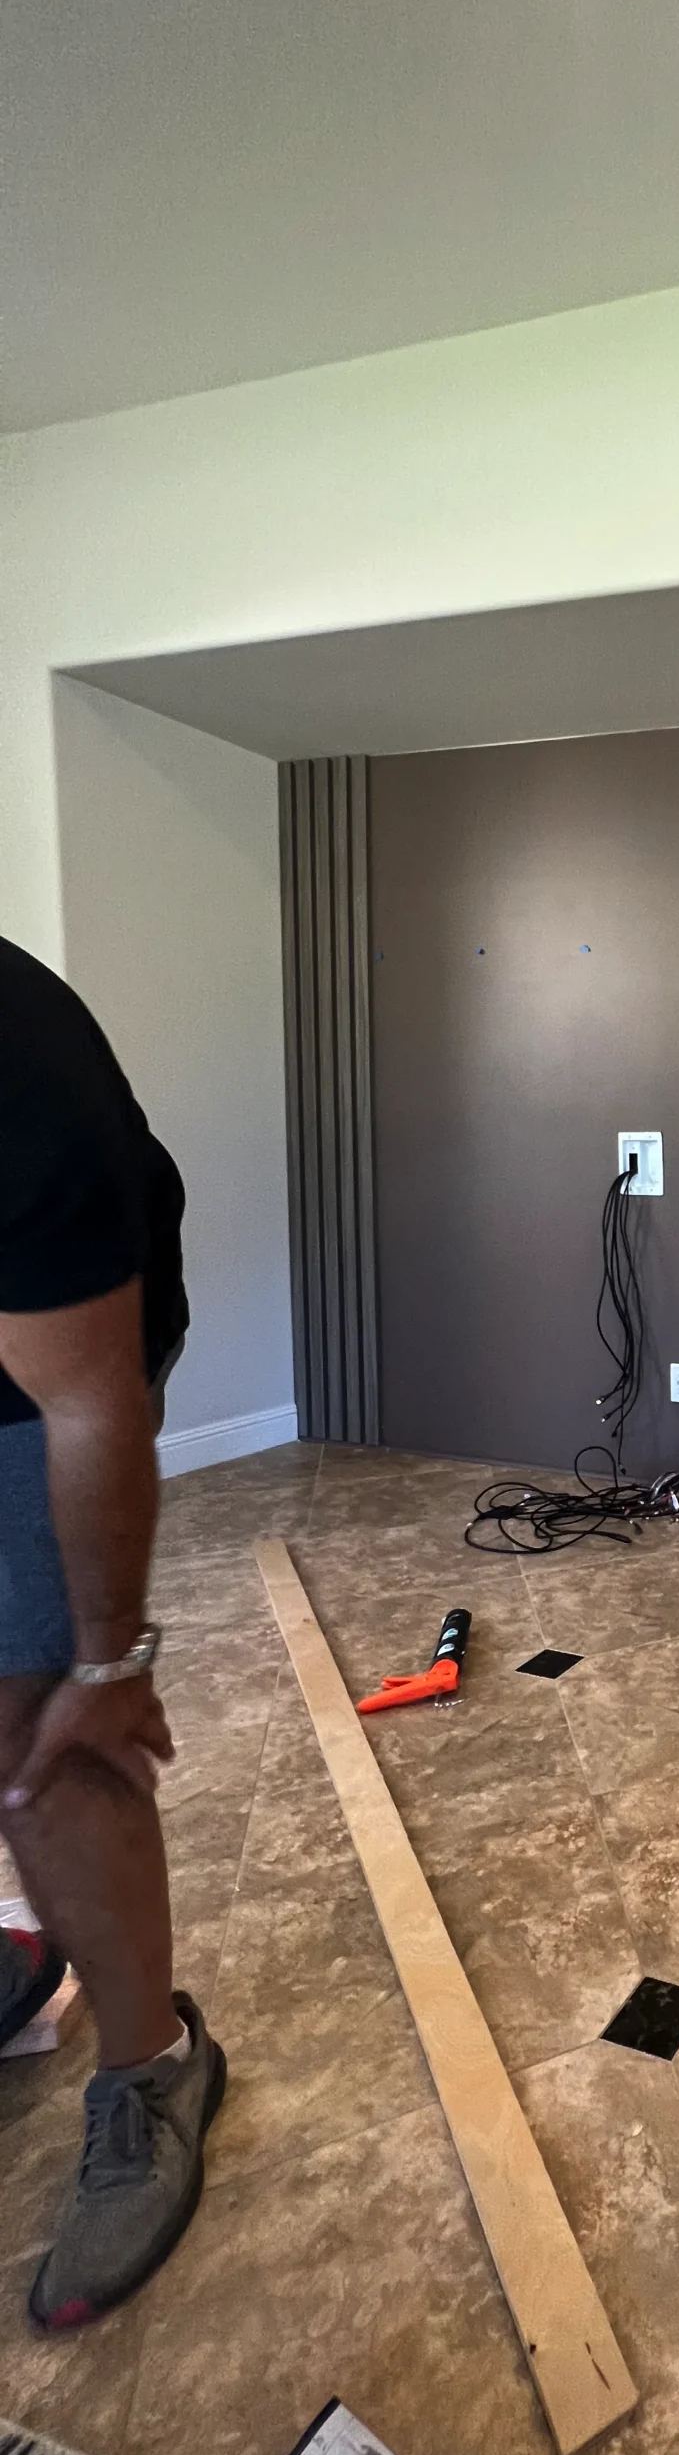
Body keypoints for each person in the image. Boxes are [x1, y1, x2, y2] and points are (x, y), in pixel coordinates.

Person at [0, 932, 225, 2330]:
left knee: (36, 1726)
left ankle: (149, 2063)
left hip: (27, 1400)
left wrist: (109, 1657)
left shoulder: (20, 1073)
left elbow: (90, 1404)